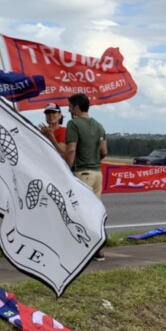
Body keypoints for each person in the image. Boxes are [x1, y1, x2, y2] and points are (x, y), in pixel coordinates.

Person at [65, 93, 108, 261]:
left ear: (76, 107)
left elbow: (71, 149)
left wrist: (66, 169)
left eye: (69, 106)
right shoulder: (99, 125)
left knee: (79, 212)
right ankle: (98, 247)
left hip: (82, 173)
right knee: (94, 212)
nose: (68, 109)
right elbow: (104, 151)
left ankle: (83, 248)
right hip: (97, 173)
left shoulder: (73, 124)